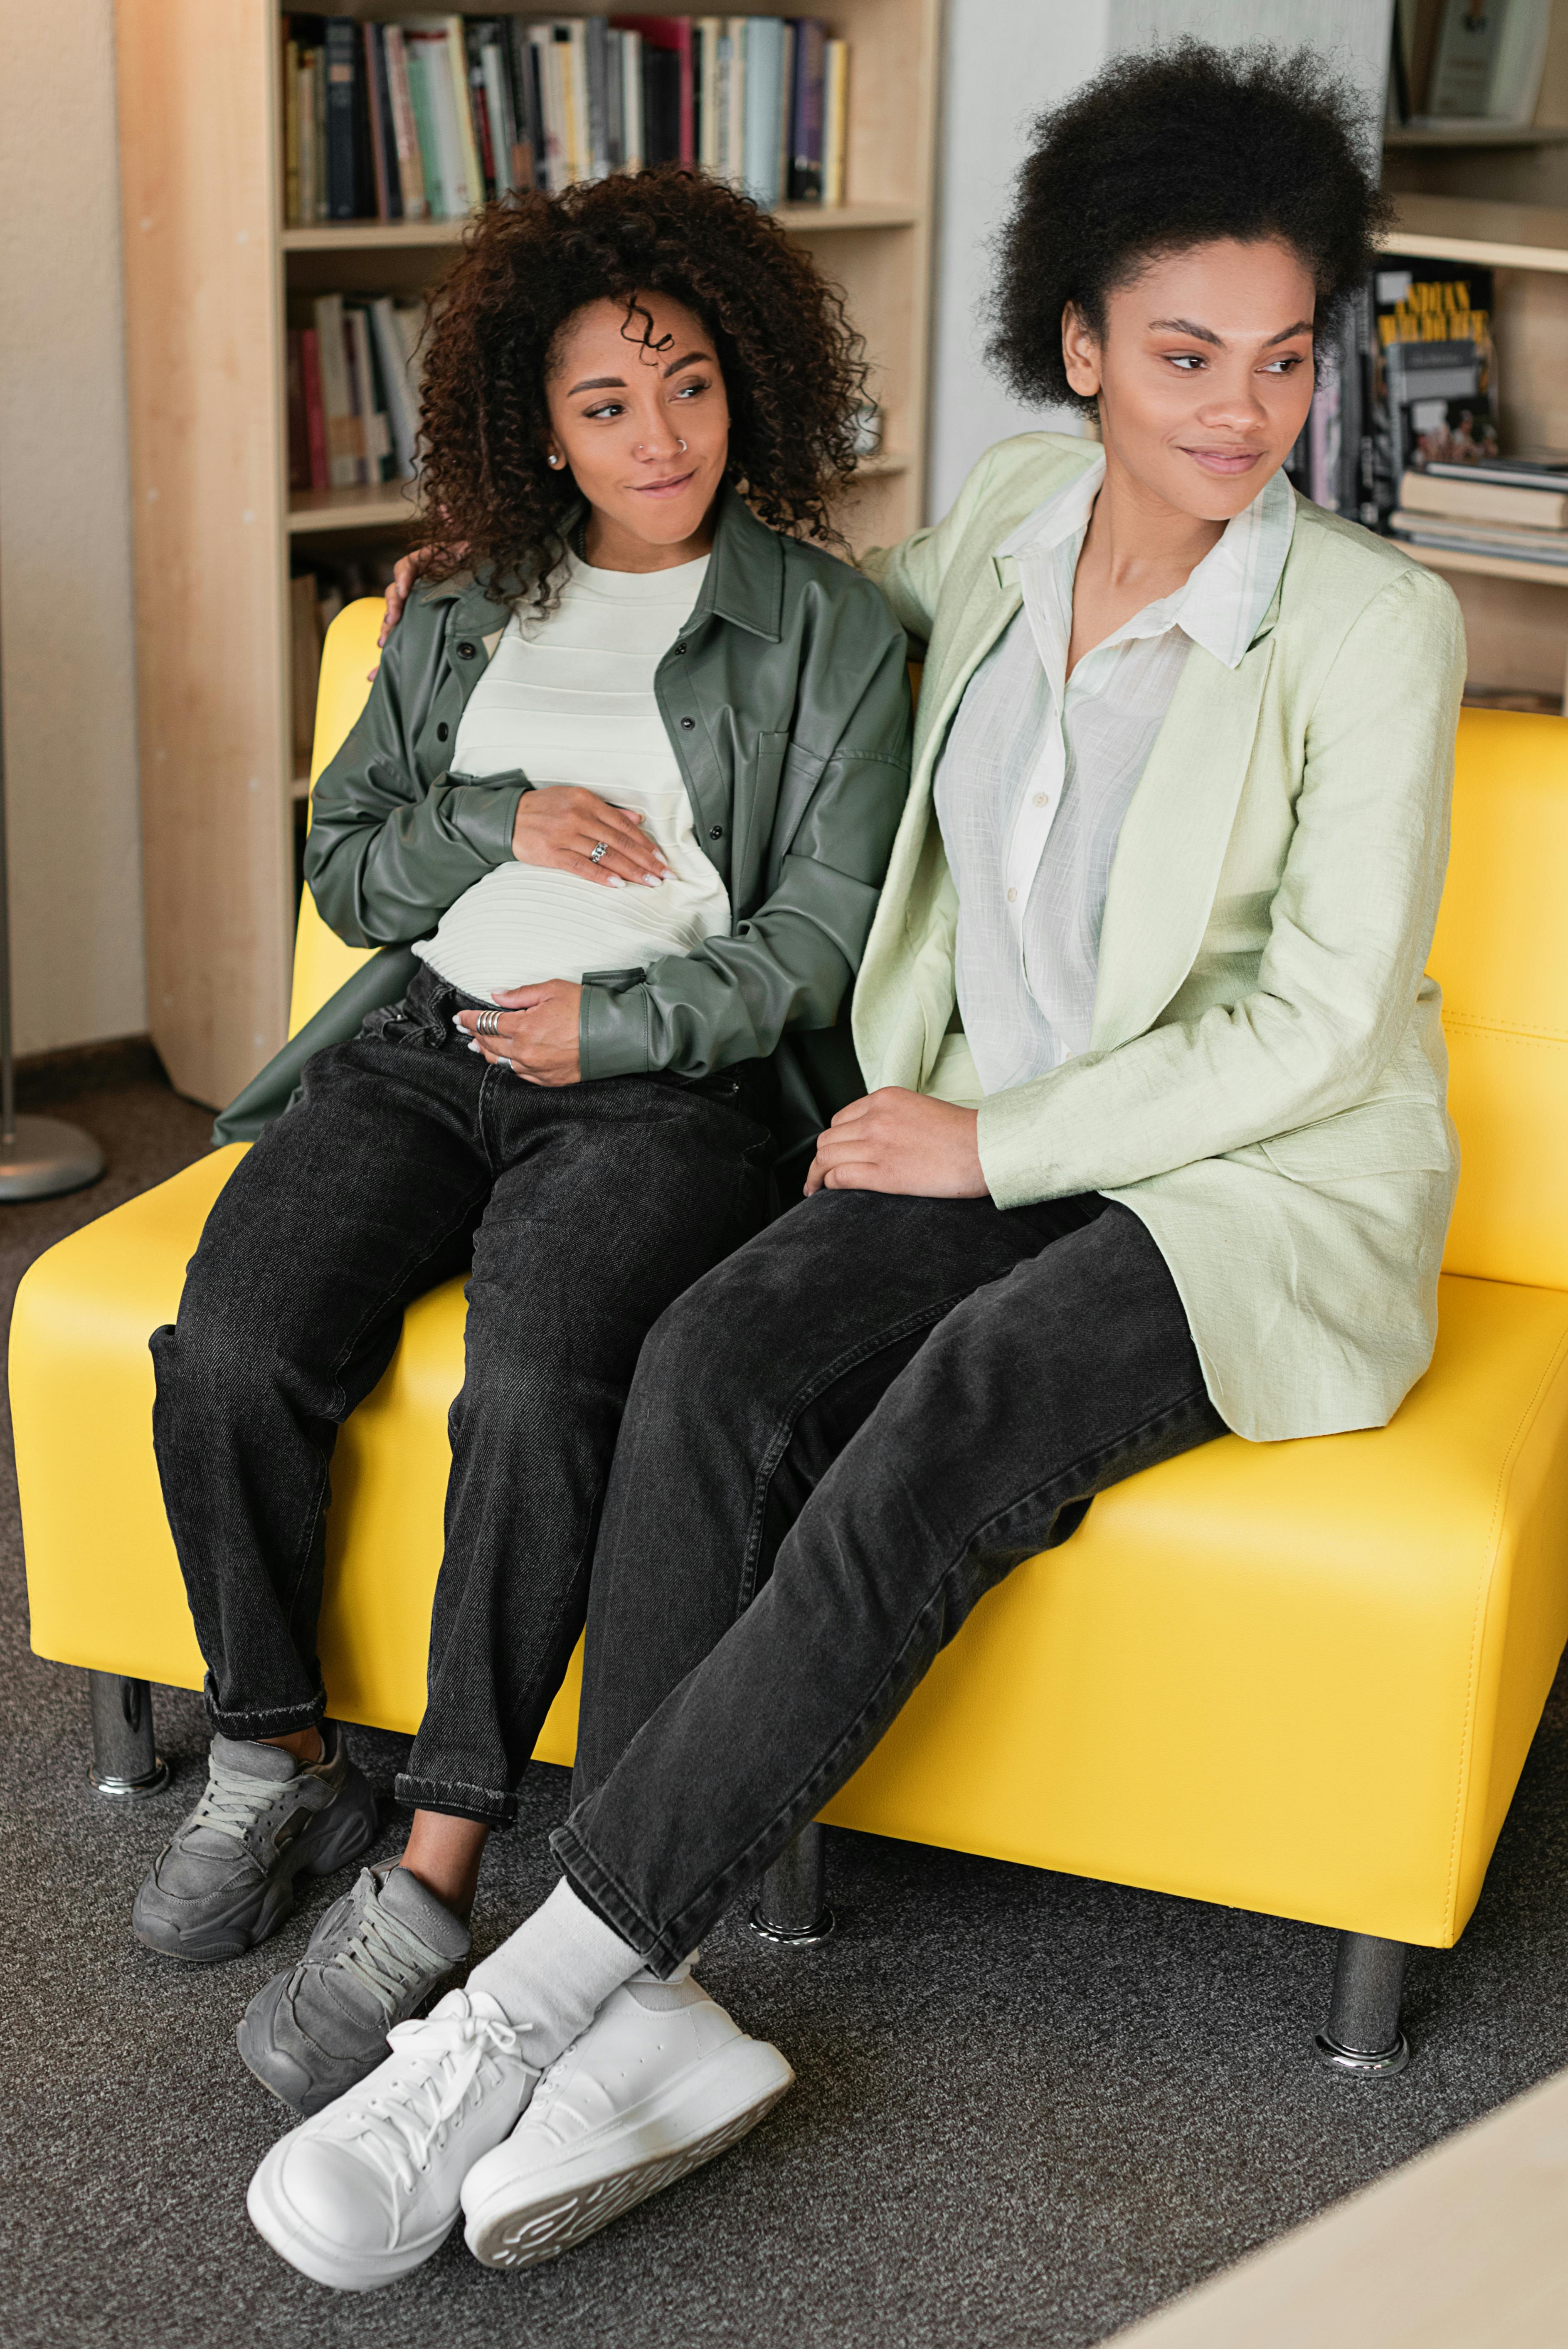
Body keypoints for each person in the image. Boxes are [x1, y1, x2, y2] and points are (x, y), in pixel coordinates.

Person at [254, 43, 1466, 2292]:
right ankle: (660, 2004)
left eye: (1283, 360)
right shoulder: (1012, 515)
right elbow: (782, 613)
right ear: (1078, 346)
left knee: (946, 1419)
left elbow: (1306, 1030)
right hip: (972, 1130)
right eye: (1181, 354)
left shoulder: (1369, 629)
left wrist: (995, 1136)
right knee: (709, 1359)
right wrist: (521, 581)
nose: (1236, 413)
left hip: (1237, 1182)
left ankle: (528, 1999)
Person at [133, 167, 911, 2137]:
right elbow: (348, 859)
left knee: (547, 1379)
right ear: (530, 426)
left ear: (752, 382)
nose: (659, 438)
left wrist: (616, 1022)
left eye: (689, 385)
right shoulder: (463, 600)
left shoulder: (834, 632)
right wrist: (492, 816)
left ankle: (436, 1861)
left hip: (664, 1090)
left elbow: (812, 941)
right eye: (603, 404)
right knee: (230, 1340)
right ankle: (272, 1751)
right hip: (424, 1043)